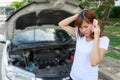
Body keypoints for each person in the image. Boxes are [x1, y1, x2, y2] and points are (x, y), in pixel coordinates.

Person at [58, 9, 110, 80]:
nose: (83, 30)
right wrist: (77, 16)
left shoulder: (103, 40)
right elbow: (61, 24)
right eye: (80, 27)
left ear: (94, 23)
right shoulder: (79, 35)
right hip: (73, 76)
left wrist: (96, 37)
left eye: (86, 26)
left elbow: (94, 62)